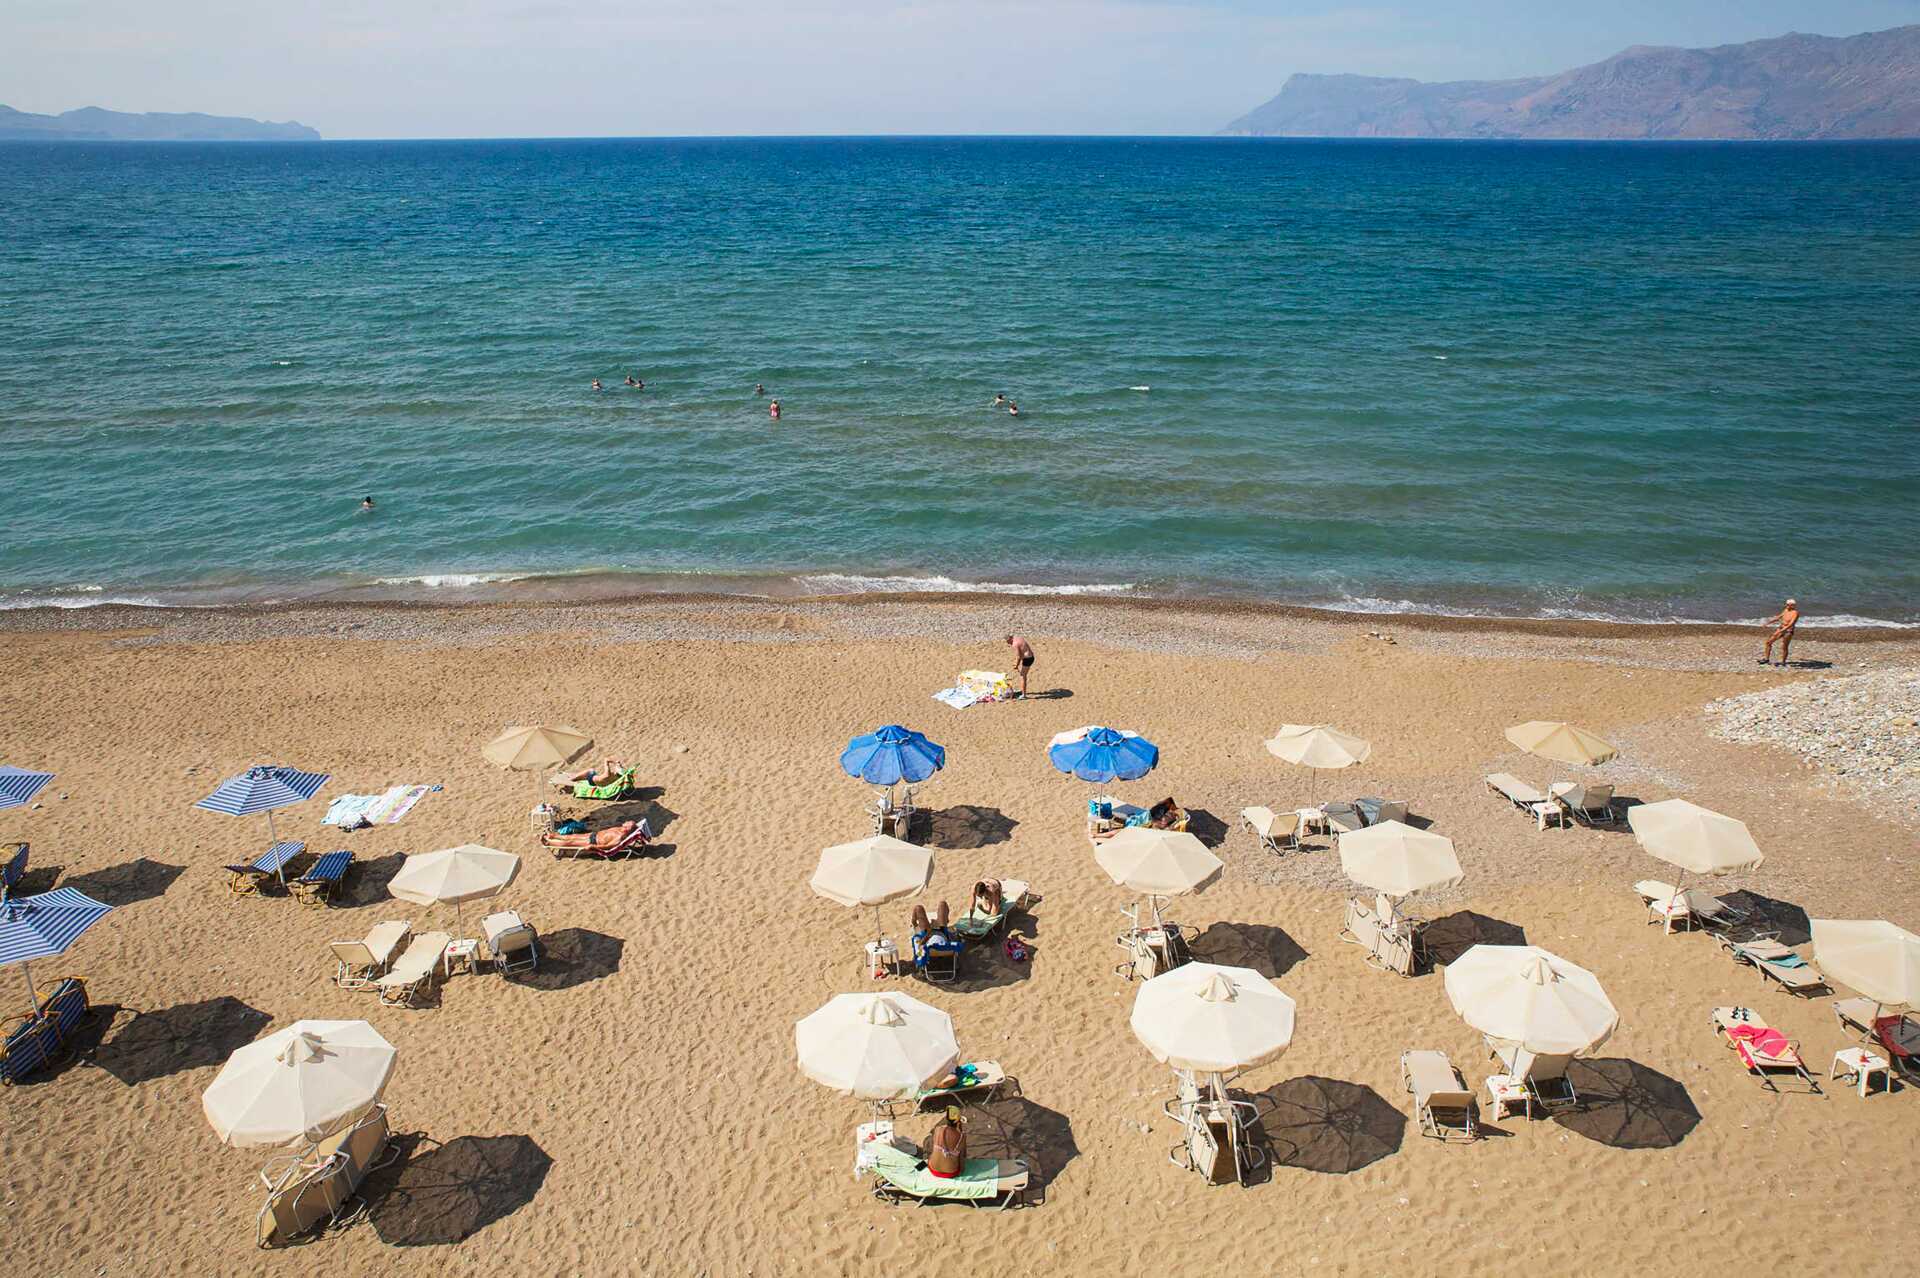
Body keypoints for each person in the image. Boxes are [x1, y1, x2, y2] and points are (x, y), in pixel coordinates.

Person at [541, 818, 648, 851]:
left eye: (628, 822)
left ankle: (549, 842)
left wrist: (594, 847)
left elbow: (608, 846)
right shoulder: (620, 829)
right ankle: (554, 836)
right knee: (571, 836)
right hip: (594, 835)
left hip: (593, 842)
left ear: (628, 828)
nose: (625, 822)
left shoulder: (620, 837)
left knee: (570, 842)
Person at [926, 1106, 966, 1178]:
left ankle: (919, 1167)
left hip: (933, 1169)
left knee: (930, 1157)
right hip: (951, 1173)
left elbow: (933, 1150)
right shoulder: (961, 1136)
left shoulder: (938, 1129)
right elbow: (963, 1156)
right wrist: (962, 1170)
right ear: (958, 1120)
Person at [1761, 598, 1801, 667]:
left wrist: (1781, 631)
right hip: (1781, 629)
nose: (1786, 605)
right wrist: (1768, 622)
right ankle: (1766, 659)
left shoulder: (1795, 613)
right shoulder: (1785, 610)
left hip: (1788, 631)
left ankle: (1783, 662)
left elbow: (1790, 624)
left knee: (1784, 647)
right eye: (1786, 604)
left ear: (1792, 605)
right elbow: (1778, 617)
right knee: (1768, 642)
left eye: (1788, 604)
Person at [553, 758, 630, 790]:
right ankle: (577, 778)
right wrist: (620, 767)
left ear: (616, 772)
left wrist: (615, 762)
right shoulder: (617, 779)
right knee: (591, 774)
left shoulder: (608, 774)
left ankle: (572, 779)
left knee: (591, 770)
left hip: (592, 780)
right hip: (600, 784)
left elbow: (606, 759)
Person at [1004, 633, 1035, 697]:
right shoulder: (1017, 637)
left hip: (1028, 659)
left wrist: (1016, 665)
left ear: (1010, 639)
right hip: (1030, 656)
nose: (1008, 643)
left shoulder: (1015, 644)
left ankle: (1024, 695)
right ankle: (1023, 692)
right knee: (1023, 674)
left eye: (1008, 641)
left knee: (1022, 676)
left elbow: (1019, 656)